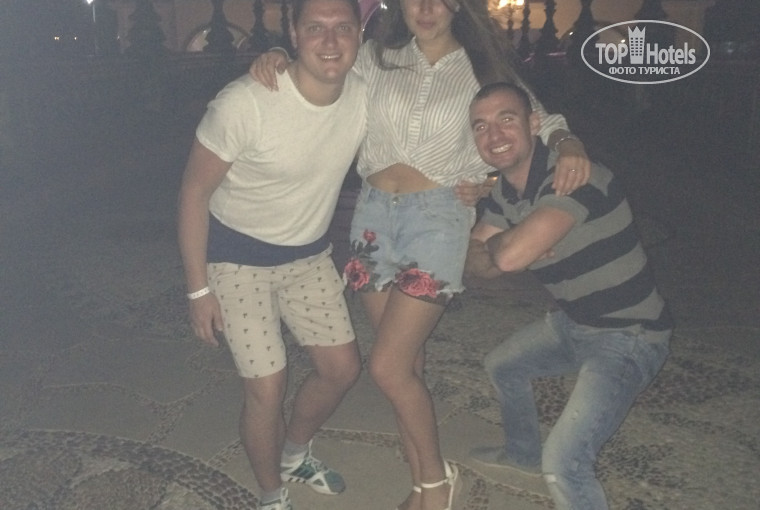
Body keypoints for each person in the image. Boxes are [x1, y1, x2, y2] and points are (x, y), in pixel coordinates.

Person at [249, 1, 591, 510]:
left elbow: (537, 121)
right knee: (407, 364)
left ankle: (435, 485)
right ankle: (419, 481)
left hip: (437, 219)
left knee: (388, 366)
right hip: (372, 218)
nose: (426, 7)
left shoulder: (481, 67)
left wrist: (567, 142)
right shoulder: (376, 57)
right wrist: (280, 53)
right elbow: (321, 72)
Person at [176, 0, 366, 508]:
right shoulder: (246, 102)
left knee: (342, 369)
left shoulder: (365, 91)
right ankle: (270, 495)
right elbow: (193, 192)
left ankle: (294, 454)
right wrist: (198, 289)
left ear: (360, 34)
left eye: (342, 27)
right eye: (315, 27)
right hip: (236, 259)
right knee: (267, 387)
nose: (330, 40)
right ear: (295, 34)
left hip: (309, 256)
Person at [464, 82, 672, 510]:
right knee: (502, 366)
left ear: (534, 124)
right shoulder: (505, 192)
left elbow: (507, 258)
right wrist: (509, 243)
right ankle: (522, 454)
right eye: (481, 126)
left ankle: (545, 464)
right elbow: (475, 261)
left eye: (506, 119)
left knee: (563, 464)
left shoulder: (574, 175)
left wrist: (507, 246)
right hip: (574, 323)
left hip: (630, 335)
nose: (494, 135)